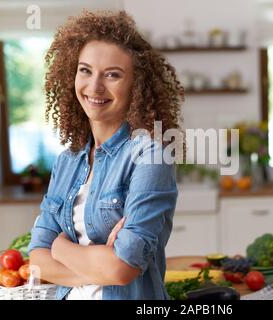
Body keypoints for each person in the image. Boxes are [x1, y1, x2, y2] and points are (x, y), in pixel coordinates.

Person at [28, 10, 184, 300]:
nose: (95, 87)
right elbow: (37, 260)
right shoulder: (67, 161)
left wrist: (61, 248)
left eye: (112, 75)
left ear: (135, 86)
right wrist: (100, 263)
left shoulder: (149, 157)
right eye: (85, 70)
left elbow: (122, 269)